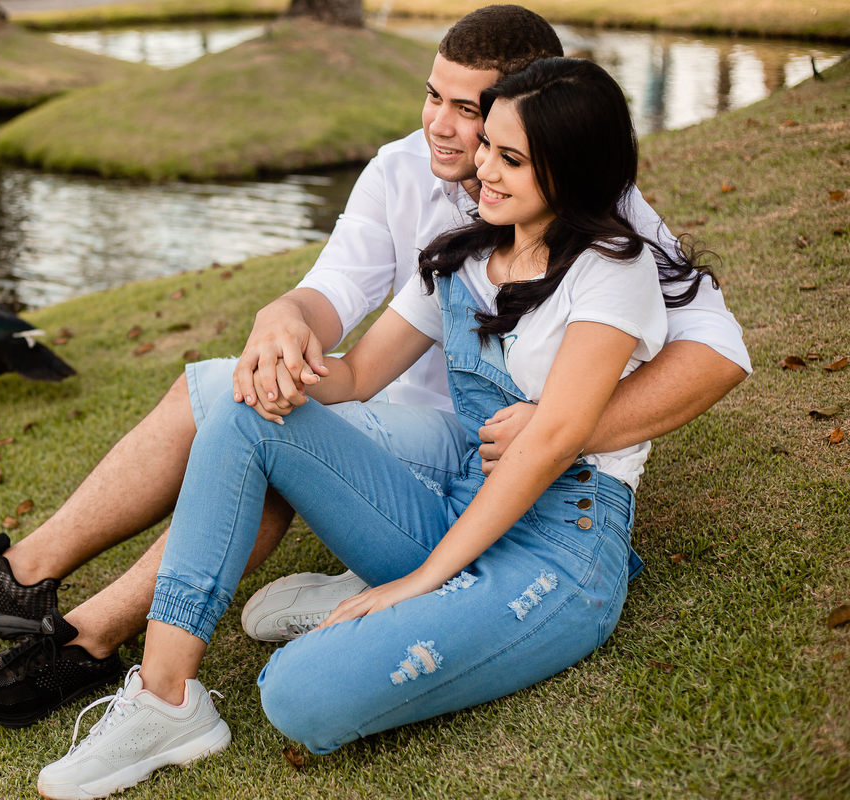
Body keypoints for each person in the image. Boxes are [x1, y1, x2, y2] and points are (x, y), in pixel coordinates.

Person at [0, 5, 750, 728]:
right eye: (435, 97)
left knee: (256, 436)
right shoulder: (414, 181)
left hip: (507, 458)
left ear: (540, 117)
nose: (444, 128)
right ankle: (36, 586)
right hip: (421, 446)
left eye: (473, 111)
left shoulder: (603, 218)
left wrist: (559, 429)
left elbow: (718, 356)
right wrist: (281, 323)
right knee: (235, 391)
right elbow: (333, 304)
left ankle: (88, 632)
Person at [35, 55, 704, 799]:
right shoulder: (468, 250)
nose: (482, 167)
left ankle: (394, 605)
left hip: (557, 544)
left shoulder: (611, 272)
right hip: (459, 501)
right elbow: (356, 375)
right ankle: (165, 700)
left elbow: (549, 444)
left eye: (510, 159)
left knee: (297, 696)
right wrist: (284, 356)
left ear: (571, 172)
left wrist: (418, 581)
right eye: (488, 145)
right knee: (247, 406)